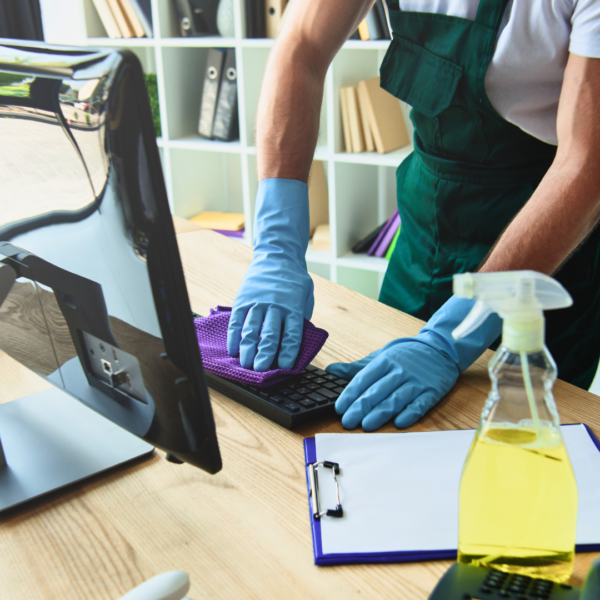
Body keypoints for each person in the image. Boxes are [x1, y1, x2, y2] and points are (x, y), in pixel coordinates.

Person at [227, 0, 600, 431]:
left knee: (511, 454)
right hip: (426, 233)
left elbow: (585, 168)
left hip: (542, 258)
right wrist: (277, 245)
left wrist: (452, 337)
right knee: (370, 429)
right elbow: (301, 46)